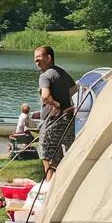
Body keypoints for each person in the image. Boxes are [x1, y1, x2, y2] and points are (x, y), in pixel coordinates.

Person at [31, 46, 77, 180]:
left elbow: (45, 96)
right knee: (65, 155)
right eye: (35, 60)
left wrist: (56, 104)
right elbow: (74, 89)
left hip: (52, 121)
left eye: (39, 59)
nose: (36, 62)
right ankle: (64, 184)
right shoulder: (62, 73)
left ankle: (49, 187)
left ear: (49, 58)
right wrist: (63, 100)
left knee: (48, 156)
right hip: (67, 119)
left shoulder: (45, 76)